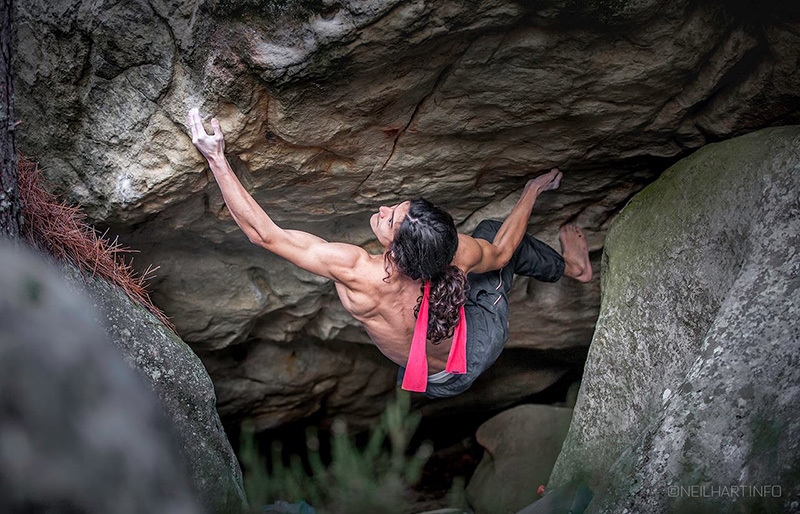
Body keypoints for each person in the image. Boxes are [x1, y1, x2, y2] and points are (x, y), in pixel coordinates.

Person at [187, 108, 592, 398]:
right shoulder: (457, 254)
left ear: (398, 250)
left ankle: (573, 268)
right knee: (491, 233)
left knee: (490, 238)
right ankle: (569, 267)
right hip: (469, 354)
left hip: (437, 379)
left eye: (390, 218)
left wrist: (216, 158)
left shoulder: (356, 273)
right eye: (394, 209)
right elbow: (502, 252)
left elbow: (266, 235)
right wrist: (531, 191)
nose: (381, 211)